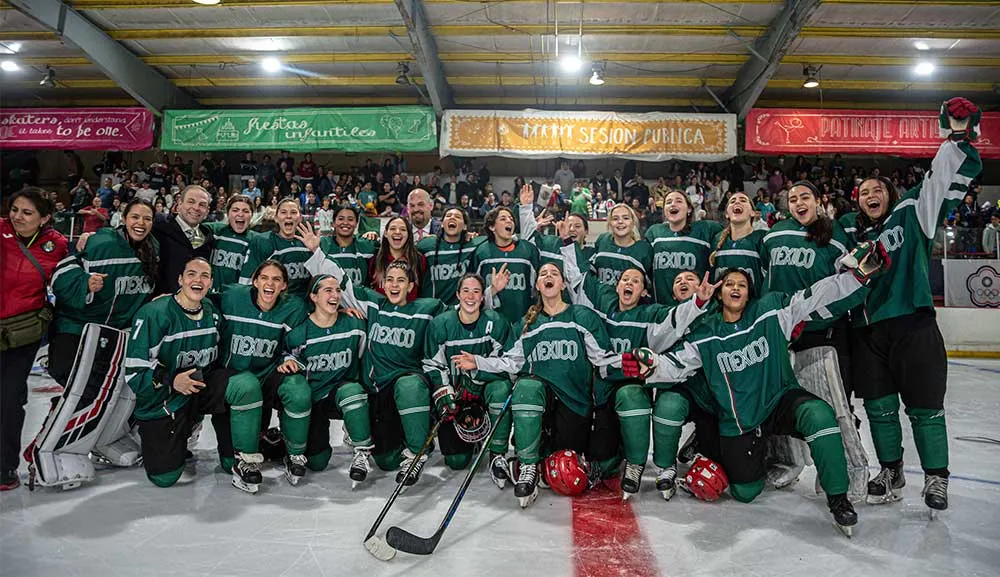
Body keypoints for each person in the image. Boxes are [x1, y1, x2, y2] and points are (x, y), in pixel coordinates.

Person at [633, 260, 889, 536]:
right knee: (745, 491)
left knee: (819, 415)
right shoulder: (706, 334)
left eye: (741, 285)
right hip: (741, 419)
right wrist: (653, 365)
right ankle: (752, 459)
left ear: (748, 293)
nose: (735, 288)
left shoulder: (770, 310)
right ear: (719, 293)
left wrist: (856, 276)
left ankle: (838, 498)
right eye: (729, 284)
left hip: (779, 400)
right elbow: (676, 363)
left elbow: (817, 294)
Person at [847, 98, 982, 514]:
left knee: (925, 409)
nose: (870, 194)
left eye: (877, 189)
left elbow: (938, 180)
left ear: (890, 194)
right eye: (863, 192)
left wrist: (956, 133)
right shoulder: (853, 238)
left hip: (913, 325)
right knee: (879, 409)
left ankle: (937, 477)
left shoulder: (912, 214)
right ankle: (892, 470)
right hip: (869, 333)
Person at [452, 263, 621, 508]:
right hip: (541, 402)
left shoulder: (581, 317)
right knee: (526, 386)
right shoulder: (527, 325)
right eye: (543, 274)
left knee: (566, 456)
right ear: (538, 285)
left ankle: (532, 460)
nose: (548, 276)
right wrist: (477, 361)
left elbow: (602, 360)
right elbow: (510, 362)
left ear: (563, 284)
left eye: (554, 273)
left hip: (574, 404)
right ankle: (528, 466)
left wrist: (632, 362)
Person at [559, 238, 717, 499]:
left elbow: (673, 322)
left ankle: (636, 463)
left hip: (632, 388)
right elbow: (580, 278)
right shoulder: (604, 300)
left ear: (644, 291)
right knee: (601, 453)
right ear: (617, 285)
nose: (628, 283)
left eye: (635, 281)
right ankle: (613, 457)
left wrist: (698, 303)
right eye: (625, 280)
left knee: (634, 397)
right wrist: (567, 242)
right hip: (601, 390)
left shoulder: (651, 313)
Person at [760, 181, 866, 497]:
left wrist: (811, 317)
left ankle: (850, 469)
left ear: (818, 201)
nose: (798, 203)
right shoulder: (773, 235)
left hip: (823, 335)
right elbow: (767, 281)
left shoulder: (836, 236)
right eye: (792, 199)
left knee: (833, 406)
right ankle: (786, 462)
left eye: (804, 197)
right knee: (777, 404)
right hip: (781, 334)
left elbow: (853, 287)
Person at [214, 260, 309, 492]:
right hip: (233, 382)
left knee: (297, 388)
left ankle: (294, 453)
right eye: (264, 278)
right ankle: (246, 457)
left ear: (284, 285)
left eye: (276, 279)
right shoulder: (232, 296)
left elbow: (297, 347)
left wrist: (289, 359)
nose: (270, 283)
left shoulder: (292, 308)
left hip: (266, 379)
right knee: (228, 463)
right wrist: (171, 299)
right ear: (255, 281)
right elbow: (198, 299)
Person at [48, 199, 159, 389]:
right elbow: (59, 275)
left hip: (119, 332)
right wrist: (85, 283)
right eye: (135, 217)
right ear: (123, 218)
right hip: (78, 325)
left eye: (147, 218)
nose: (141, 223)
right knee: (67, 373)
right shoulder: (101, 242)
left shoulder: (154, 248)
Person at [0, 188, 69, 490]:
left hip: (21, 332)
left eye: (27, 212)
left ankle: (4, 467)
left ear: (45, 218)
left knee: (10, 399)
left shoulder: (58, 245)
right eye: (15, 209)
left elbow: (69, 281)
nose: (17, 217)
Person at [280, 274, 372, 485]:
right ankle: (292, 448)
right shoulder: (299, 334)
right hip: (312, 400)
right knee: (317, 462)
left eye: (338, 290)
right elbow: (286, 355)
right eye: (328, 290)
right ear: (313, 297)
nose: (335, 295)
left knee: (353, 392)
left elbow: (361, 357)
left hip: (339, 391)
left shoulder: (354, 325)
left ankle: (361, 450)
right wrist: (286, 360)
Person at [423, 274, 513, 484]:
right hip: (457, 395)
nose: (470, 296)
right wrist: (444, 392)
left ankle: (497, 453)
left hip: (484, 393)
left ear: (483, 297)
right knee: (456, 460)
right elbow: (431, 364)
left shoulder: (495, 322)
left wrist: (478, 375)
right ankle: (474, 438)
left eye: (476, 292)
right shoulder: (441, 324)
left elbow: (509, 364)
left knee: (501, 388)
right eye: (466, 291)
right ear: (457, 295)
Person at [645, 191, 723, 304]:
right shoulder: (654, 232)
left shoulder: (705, 229)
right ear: (664, 211)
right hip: (662, 310)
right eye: (668, 202)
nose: (672, 204)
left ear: (689, 209)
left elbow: (729, 233)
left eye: (679, 201)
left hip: (698, 307)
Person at [469, 206, 541, 324]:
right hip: (490, 323)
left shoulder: (528, 250)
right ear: (492, 226)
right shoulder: (481, 252)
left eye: (511, 219)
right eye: (503, 218)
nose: (509, 221)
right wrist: (492, 290)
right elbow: (473, 292)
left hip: (523, 322)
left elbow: (537, 289)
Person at [240, 198, 314, 295]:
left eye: (293, 212)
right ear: (276, 218)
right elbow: (247, 280)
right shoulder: (264, 241)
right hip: (275, 304)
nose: (288, 216)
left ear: (300, 218)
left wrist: (316, 250)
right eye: (283, 212)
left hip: (305, 304)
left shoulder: (310, 243)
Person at [152, 185, 216, 295]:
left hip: (195, 304)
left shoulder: (209, 237)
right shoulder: (158, 229)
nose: (196, 208)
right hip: (163, 304)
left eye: (202, 205)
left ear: (207, 211)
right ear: (179, 204)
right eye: (191, 202)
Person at [418, 206, 485, 304]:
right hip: (432, 309)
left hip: (461, 311)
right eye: (448, 216)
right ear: (441, 224)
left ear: (465, 226)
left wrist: (473, 235)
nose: (452, 218)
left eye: (457, 217)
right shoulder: (427, 245)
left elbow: (490, 240)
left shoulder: (473, 244)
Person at [710, 191, 766, 289]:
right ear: (727, 214)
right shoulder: (716, 240)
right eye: (732, 201)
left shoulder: (762, 239)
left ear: (753, 212)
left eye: (743, 200)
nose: (737, 202)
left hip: (754, 303)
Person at [589, 204, 652, 288]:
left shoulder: (644, 249)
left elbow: (648, 285)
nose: (620, 222)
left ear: (633, 222)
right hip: (601, 299)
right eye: (615, 218)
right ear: (610, 223)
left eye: (625, 218)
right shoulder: (602, 240)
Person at [205, 195, 255, 298]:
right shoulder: (216, 230)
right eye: (235, 210)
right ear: (227, 214)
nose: (240, 214)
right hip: (209, 296)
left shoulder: (256, 240)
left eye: (245, 211)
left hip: (236, 299)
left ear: (251, 215)